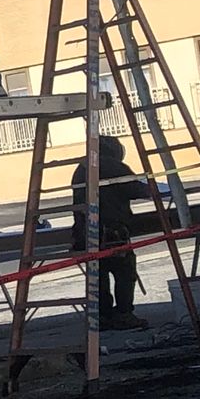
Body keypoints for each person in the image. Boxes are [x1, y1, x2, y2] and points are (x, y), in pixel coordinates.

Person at [71, 134, 155, 330]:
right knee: (124, 272)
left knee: (98, 275)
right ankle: (124, 314)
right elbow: (138, 190)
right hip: (111, 231)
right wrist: (152, 187)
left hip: (85, 231)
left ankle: (103, 316)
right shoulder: (111, 166)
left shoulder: (82, 168)